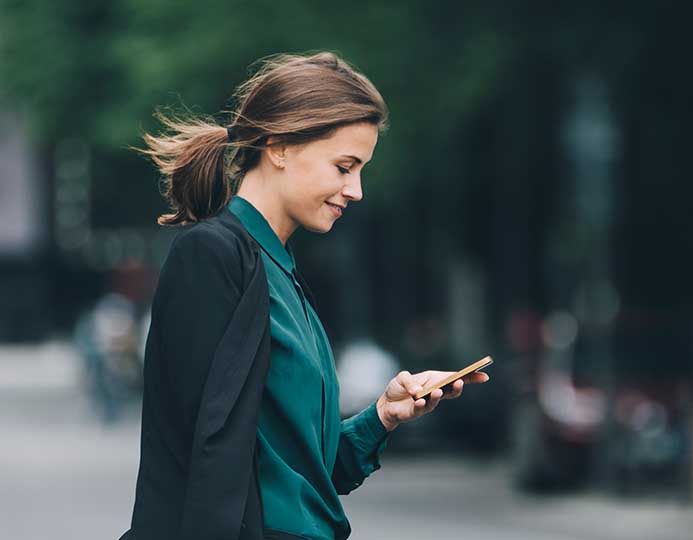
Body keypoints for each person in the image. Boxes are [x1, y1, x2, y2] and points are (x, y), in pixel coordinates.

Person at [120, 52, 489, 540]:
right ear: (279, 146)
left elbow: (315, 474)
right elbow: (195, 456)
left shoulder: (282, 274)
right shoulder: (212, 256)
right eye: (343, 166)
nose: (355, 189)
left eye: (360, 170)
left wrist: (383, 415)